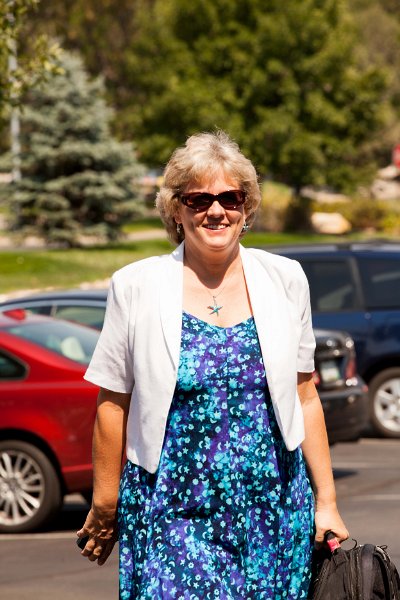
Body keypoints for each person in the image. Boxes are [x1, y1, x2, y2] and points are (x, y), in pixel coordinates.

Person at [77, 130, 349, 599]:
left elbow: (305, 396)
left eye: (230, 198)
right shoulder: (136, 286)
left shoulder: (285, 280)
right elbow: (112, 401)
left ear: (247, 207)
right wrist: (105, 502)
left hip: (271, 508)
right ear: (176, 209)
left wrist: (327, 501)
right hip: (171, 508)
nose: (216, 211)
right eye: (199, 199)